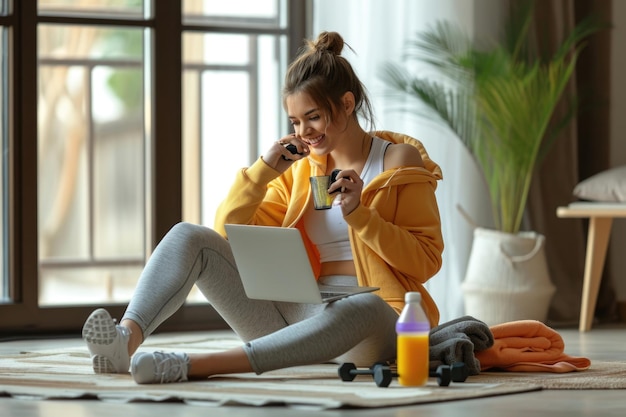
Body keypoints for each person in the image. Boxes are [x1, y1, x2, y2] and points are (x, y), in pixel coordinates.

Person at [82, 31, 444, 384]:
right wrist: (262, 172)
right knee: (187, 236)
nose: (305, 132)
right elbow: (227, 233)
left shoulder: (397, 160)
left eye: (313, 117)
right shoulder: (299, 171)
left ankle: (193, 365)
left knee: (358, 307)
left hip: (374, 321)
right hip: (295, 313)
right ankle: (124, 341)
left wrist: (360, 216)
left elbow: (426, 261)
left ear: (347, 104)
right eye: (296, 122)